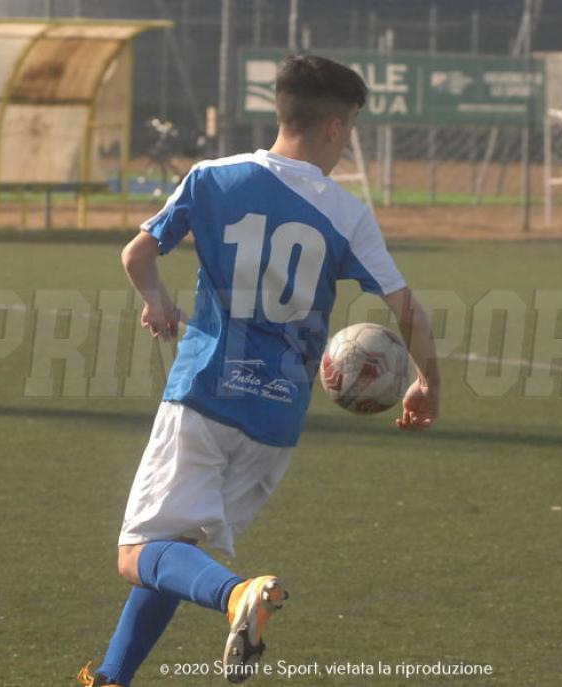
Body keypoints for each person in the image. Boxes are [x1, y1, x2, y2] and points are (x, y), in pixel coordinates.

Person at [78, 54, 441, 687]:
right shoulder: (349, 213)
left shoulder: (212, 178)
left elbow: (137, 255)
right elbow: (407, 309)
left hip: (206, 393)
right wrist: (428, 384)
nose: (347, 144)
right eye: (351, 131)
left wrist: (156, 300)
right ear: (334, 126)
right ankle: (112, 678)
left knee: (137, 554)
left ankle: (237, 595)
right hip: (276, 420)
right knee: (175, 546)